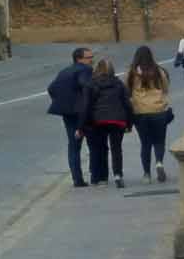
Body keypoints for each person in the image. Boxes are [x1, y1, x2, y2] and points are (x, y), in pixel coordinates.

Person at [46, 46, 95, 188]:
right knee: (93, 143)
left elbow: (51, 88)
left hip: (67, 113)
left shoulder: (64, 71)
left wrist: (62, 102)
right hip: (83, 113)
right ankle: (95, 174)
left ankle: (77, 179)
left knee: (73, 146)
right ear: (79, 59)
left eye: (92, 57)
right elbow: (86, 85)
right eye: (89, 57)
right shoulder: (85, 70)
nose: (92, 60)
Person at [126, 46, 174, 183]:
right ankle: (159, 162)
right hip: (158, 111)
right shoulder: (159, 71)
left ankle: (146, 174)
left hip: (140, 112)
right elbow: (166, 88)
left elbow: (127, 91)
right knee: (159, 141)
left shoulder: (132, 73)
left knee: (145, 143)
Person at [84, 59, 134, 187]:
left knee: (101, 148)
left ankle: (103, 178)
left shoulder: (91, 84)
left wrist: (83, 124)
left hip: (98, 120)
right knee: (116, 148)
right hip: (117, 120)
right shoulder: (119, 84)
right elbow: (127, 104)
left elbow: (86, 106)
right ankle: (118, 175)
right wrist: (129, 123)